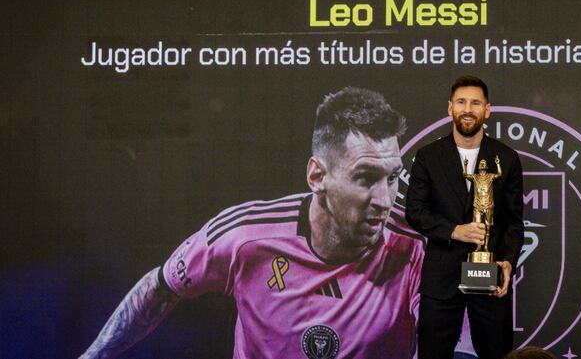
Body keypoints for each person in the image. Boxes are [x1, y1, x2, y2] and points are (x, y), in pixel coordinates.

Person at [80, 87, 423, 359]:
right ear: (317, 176)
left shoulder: (417, 247)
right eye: (365, 178)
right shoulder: (243, 236)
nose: (384, 198)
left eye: (392, 178)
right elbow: (160, 289)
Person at [405, 76, 524, 359]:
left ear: (487, 110)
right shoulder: (428, 157)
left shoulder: (506, 159)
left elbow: (514, 222)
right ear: (450, 108)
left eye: (475, 102)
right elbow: (415, 211)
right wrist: (454, 230)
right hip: (441, 279)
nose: (467, 109)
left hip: (490, 277)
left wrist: (507, 262)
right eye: (461, 102)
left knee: (497, 354)